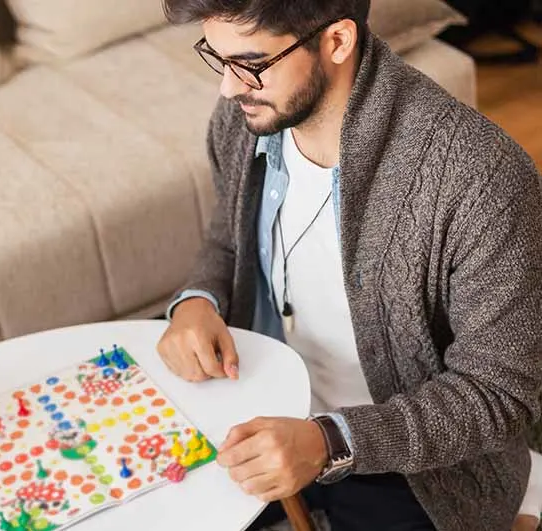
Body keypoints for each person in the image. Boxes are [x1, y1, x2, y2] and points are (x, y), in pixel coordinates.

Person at [154, 0, 542, 530]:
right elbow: (227, 239)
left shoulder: (480, 178)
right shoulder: (248, 113)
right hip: (263, 405)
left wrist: (328, 441)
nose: (228, 87)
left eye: (250, 62)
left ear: (337, 41)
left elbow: (500, 394)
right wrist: (199, 299)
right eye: (216, 58)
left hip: (417, 467)